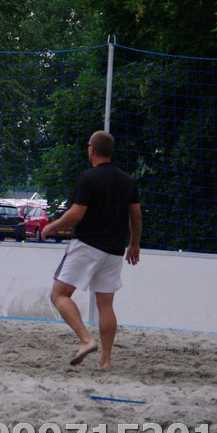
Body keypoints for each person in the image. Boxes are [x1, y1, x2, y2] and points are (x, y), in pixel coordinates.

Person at [41, 130, 141, 369]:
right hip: (114, 250)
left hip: (87, 245)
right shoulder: (127, 180)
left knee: (59, 295)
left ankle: (86, 340)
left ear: (91, 150)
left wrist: (51, 227)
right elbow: (136, 215)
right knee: (105, 305)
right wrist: (134, 244)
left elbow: (76, 215)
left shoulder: (88, 178)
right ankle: (105, 361)